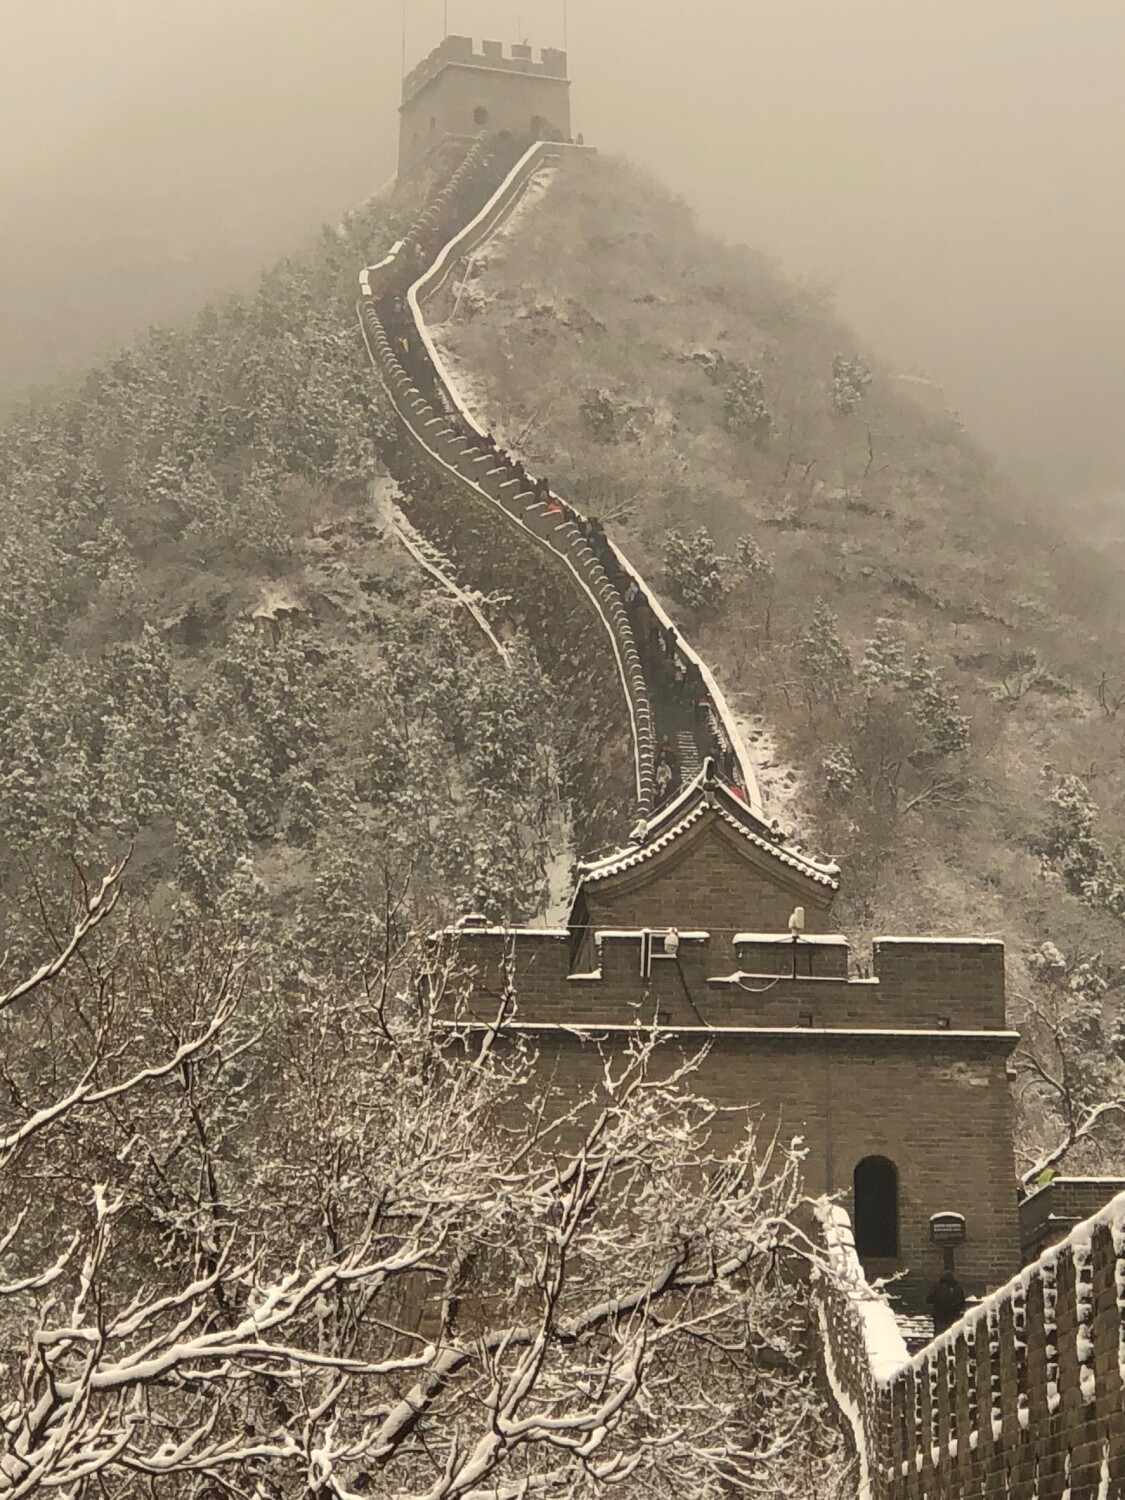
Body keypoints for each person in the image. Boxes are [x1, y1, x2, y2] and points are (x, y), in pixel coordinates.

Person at [927, 1272, 966, 1338]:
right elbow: (962, 1303)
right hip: (953, 1315)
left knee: (939, 1334)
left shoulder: (937, 1287)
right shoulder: (958, 1288)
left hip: (940, 1315)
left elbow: (929, 1299)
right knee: (952, 1333)